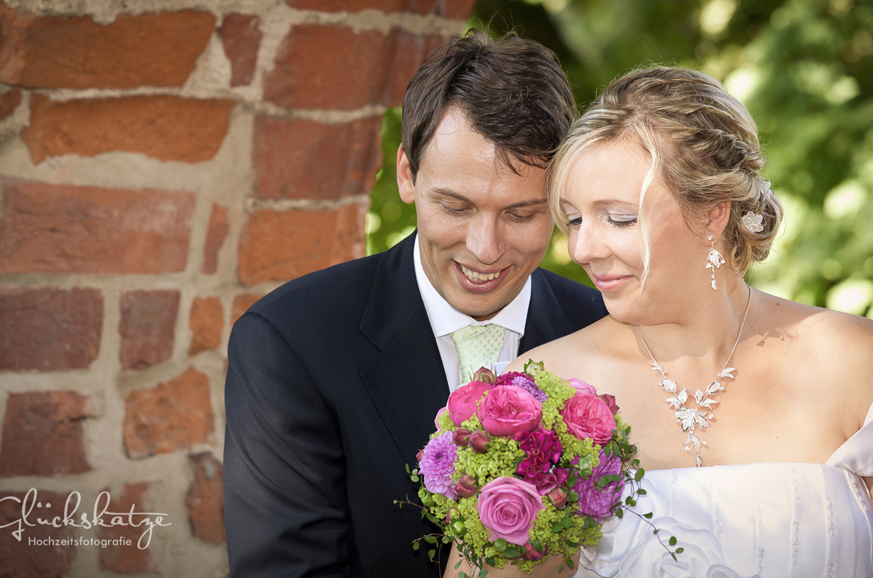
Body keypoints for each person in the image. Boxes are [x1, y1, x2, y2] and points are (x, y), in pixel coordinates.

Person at [451, 66, 873, 577]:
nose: (583, 248)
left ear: (712, 213)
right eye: (573, 219)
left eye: (619, 218)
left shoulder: (859, 364)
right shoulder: (535, 396)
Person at [223, 31, 606, 577]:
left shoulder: (606, 328)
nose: (485, 248)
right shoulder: (289, 341)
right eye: (455, 206)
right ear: (407, 174)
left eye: (522, 214)